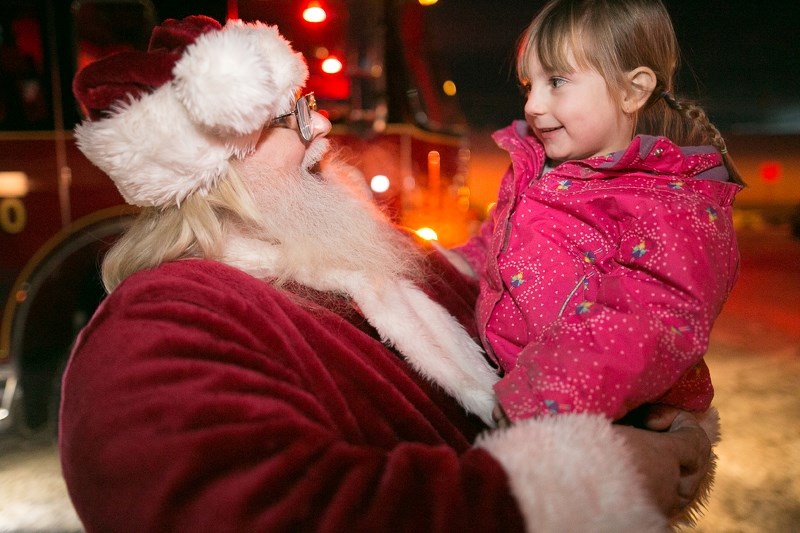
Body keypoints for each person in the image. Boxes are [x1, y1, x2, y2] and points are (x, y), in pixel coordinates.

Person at [60, 14, 713, 533]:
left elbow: (508, 296)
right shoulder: (160, 323)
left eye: (308, 102)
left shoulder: (354, 255)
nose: (320, 126)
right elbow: (261, 509)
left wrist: (650, 406)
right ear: (214, 168)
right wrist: (593, 483)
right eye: (289, 117)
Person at [444, 0, 739, 519]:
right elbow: (491, 248)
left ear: (633, 89)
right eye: (527, 85)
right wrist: (440, 263)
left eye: (557, 81)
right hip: (534, 406)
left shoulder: (670, 205)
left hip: (616, 421)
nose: (534, 105)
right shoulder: (538, 173)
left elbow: (646, 321)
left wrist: (537, 399)